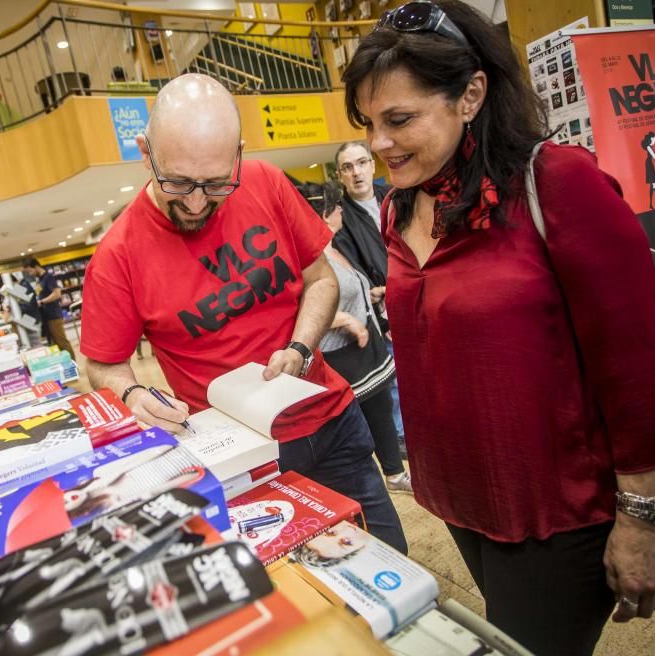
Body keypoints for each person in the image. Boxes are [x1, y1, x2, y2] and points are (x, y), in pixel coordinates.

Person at [342, 2, 655, 654]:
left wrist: (645, 521)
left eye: (399, 120)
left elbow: (637, 369)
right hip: (460, 498)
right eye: (368, 123)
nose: (377, 144)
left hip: (555, 513)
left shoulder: (558, 184)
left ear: (471, 94)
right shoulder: (398, 208)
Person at [79, 73, 407, 554]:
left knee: (390, 557)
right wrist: (130, 393)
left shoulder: (267, 184)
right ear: (145, 152)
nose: (194, 203)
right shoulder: (117, 255)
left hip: (332, 420)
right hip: (240, 456)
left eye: (214, 184)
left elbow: (321, 279)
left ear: (239, 153)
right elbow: (102, 361)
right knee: (300, 595)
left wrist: (299, 347)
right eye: (177, 182)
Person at [299, 181, 411, 493]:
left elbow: (352, 288)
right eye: (336, 208)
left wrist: (373, 294)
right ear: (323, 214)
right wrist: (344, 319)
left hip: (366, 352)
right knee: (356, 431)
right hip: (339, 358)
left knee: (382, 416)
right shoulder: (308, 259)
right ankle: (362, 488)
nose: (340, 212)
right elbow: (300, 308)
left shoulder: (336, 247)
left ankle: (395, 474)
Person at [333, 141, 406, 445]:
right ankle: (401, 435)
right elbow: (350, 268)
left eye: (362, 163)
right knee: (394, 380)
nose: (357, 172)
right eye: (348, 167)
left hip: (413, 294)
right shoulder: (341, 219)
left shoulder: (398, 197)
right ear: (340, 175)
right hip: (379, 310)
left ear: (373, 165)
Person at [22, 258, 75, 359]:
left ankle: (73, 364)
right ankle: (65, 364)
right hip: (46, 316)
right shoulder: (39, 279)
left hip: (54, 315)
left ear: (36, 266)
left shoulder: (48, 277)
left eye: (30, 271)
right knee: (55, 344)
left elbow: (57, 294)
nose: (30, 274)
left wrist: (42, 301)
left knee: (62, 342)